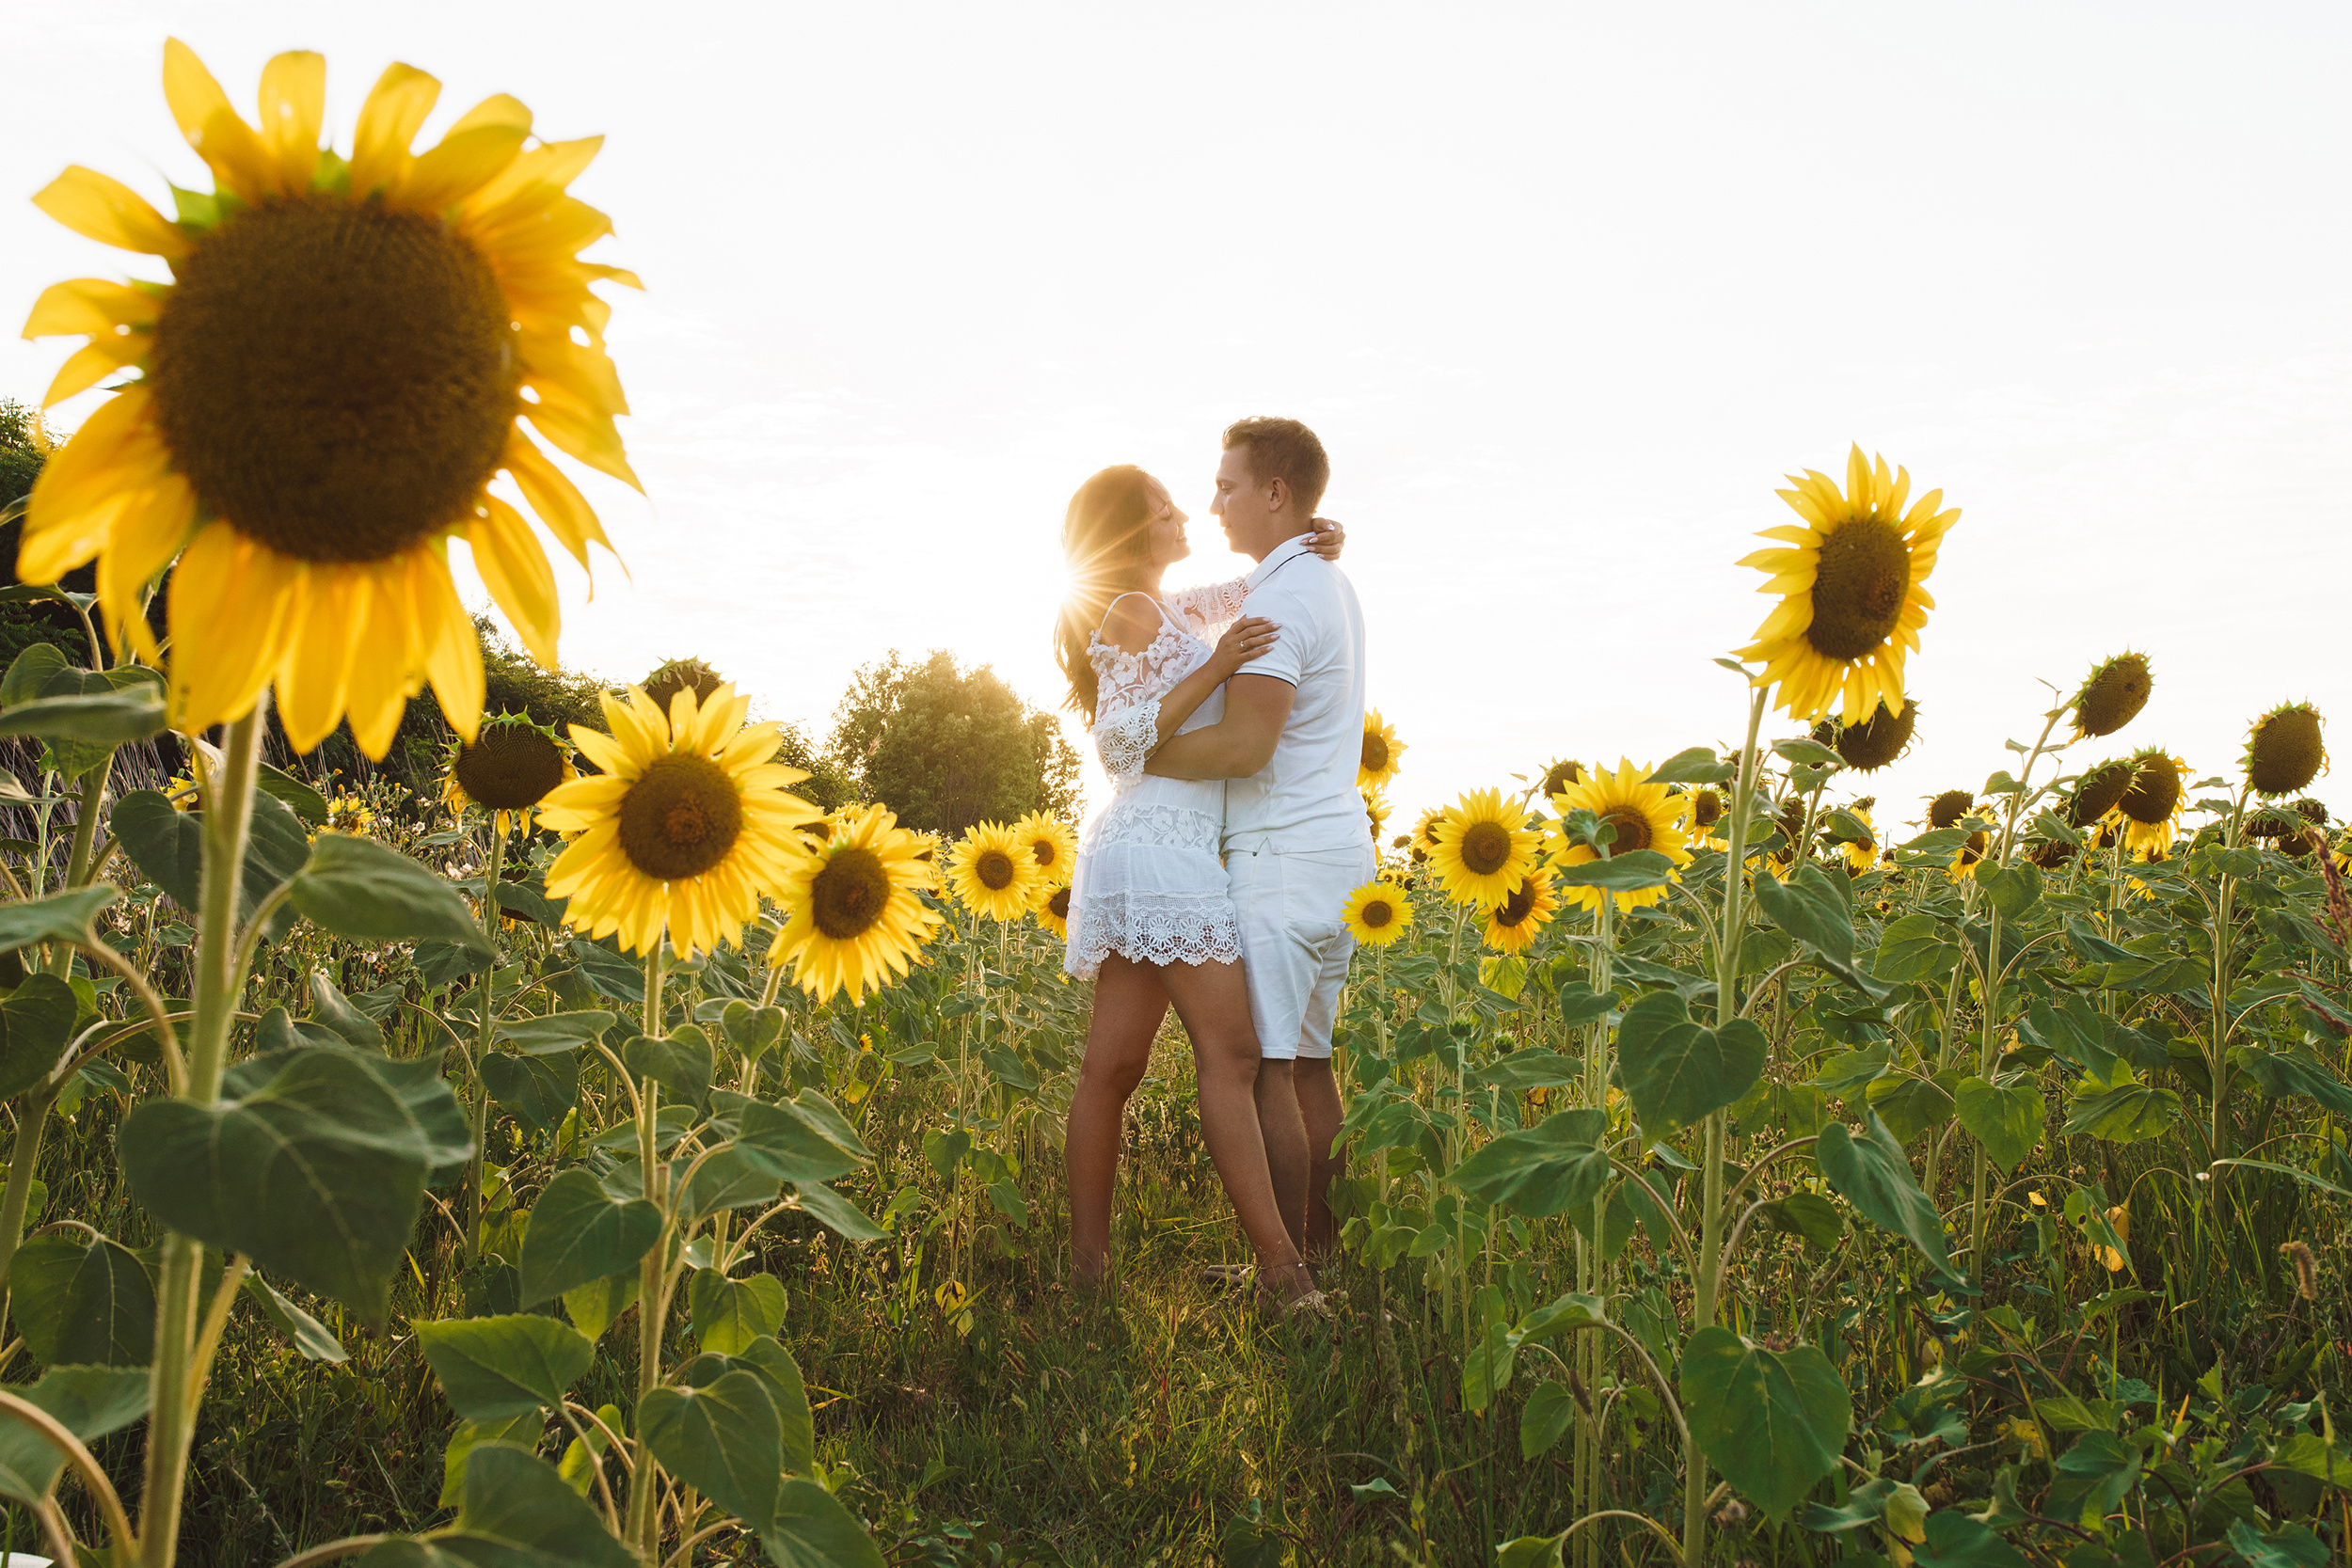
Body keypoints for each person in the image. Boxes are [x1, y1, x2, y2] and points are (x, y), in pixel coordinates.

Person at [1051, 463, 1344, 1311]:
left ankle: (1088, 1276)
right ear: (1130, 534)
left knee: (1111, 1068)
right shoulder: (1131, 611)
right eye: (1164, 510)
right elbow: (1117, 741)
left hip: (1162, 850)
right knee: (1235, 1055)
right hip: (1160, 849)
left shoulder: (1178, 604)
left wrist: (1317, 538)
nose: (1186, 514)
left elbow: (1257, 579)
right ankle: (1286, 1276)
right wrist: (1217, 669)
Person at [1145, 417, 1367, 1265]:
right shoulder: (1325, 581)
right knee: (1312, 1066)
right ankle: (1330, 1256)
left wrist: (1145, 757)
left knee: (1269, 1070)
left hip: (1281, 860)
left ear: (1276, 492)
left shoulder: (1282, 596)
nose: (1214, 502)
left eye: (1228, 485)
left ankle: (1290, 1276)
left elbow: (1245, 745)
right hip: (1335, 850)